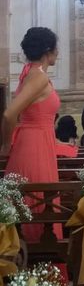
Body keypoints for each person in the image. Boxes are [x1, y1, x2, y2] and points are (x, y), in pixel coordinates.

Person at [0, 27, 62, 241]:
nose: (58, 52)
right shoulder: (39, 77)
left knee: (33, 203)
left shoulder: (30, 71)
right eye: (56, 48)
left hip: (38, 143)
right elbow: (9, 114)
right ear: (49, 50)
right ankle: (38, 264)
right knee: (38, 203)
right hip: (34, 147)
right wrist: (6, 145)